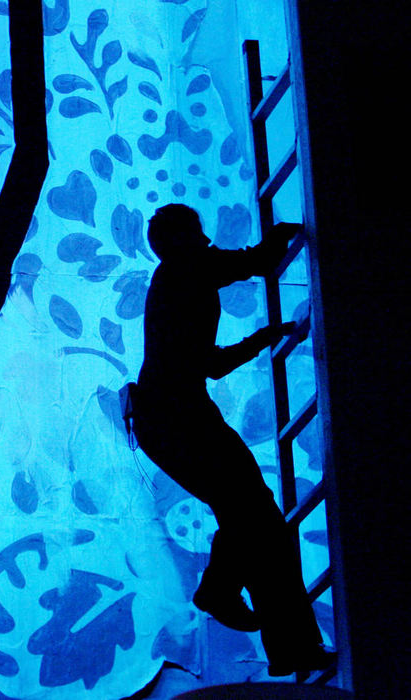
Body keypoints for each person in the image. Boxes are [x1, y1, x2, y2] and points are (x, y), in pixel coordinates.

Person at [128, 204, 332, 676]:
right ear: (180, 239)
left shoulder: (177, 275)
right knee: (256, 517)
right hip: (179, 418)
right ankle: (238, 603)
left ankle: (287, 643)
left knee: (256, 520)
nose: (205, 240)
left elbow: (211, 360)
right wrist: (280, 239)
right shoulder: (186, 269)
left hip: (174, 418)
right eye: (196, 233)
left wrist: (262, 337)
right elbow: (252, 262)